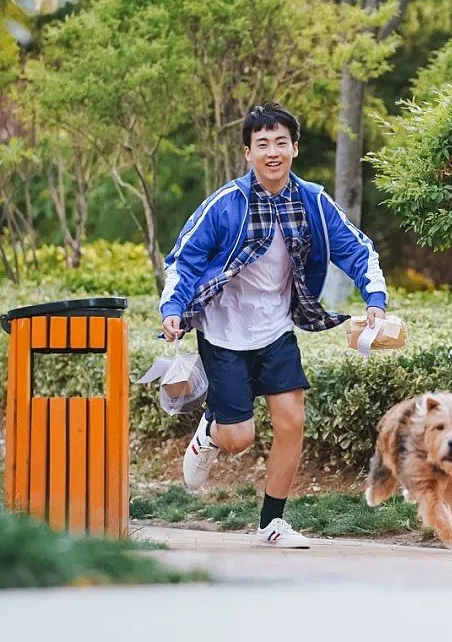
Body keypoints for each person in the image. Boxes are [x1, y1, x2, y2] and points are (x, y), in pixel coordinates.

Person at [159, 101, 388, 549]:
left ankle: (271, 523)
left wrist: (374, 299)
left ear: (294, 149)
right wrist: (174, 307)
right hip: (223, 334)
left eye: (280, 142)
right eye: (261, 144)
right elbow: (183, 260)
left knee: (292, 422)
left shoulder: (312, 202)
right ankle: (209, 431)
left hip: (276, 329)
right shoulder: (226, 204)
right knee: (239, 439)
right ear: (247, 153)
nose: (272, 151)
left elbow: (358, 250)